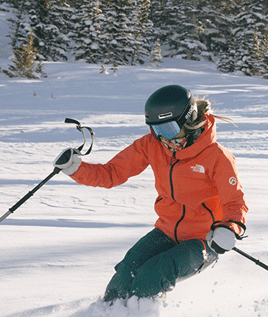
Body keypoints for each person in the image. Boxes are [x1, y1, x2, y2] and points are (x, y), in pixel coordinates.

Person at [54, 85, 248, 303]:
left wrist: (229, 228)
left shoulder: (217, 157)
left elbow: (235, 201)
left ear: (188, 119)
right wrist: (76, 169)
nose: (162, 137)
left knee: (153, 273)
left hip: (204, 241)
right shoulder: (152, 146)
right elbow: (112, 173)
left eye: (168, 129)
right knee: (127, 269)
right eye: (155, 129)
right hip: (166, 232)